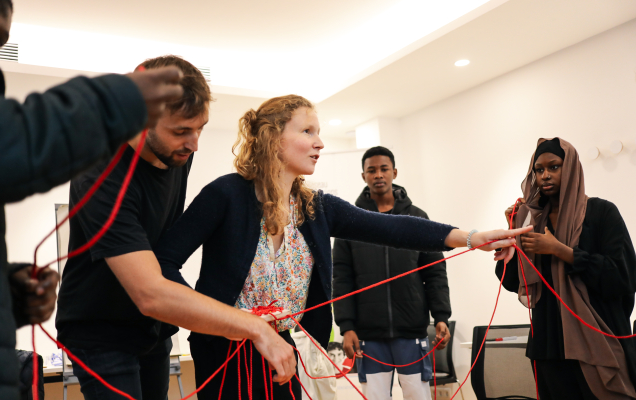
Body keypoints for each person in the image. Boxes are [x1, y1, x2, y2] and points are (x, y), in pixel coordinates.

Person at [155, 94, 530, 399]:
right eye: (307, 131)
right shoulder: (225, 194)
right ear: (273, 137)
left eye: (319, 132)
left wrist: (469, 237)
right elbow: (164, 263)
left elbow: (393, 228)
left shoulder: (316, 206)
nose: (319, 142)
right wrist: (213, 319)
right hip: (224, 353)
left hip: (283, 350)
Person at [0, 0, 185, 398]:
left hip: (145, 332)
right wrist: (117, 99)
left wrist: (3, 288)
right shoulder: (102, 168)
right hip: (98, 332)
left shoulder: (178, 161)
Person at [55, 55, 297, 400]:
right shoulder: (99, 172)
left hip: (151, 328)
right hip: (100, 330)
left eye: (200, 128)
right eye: (182, 131)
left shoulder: (178, 151)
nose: (194, 143)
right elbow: (150, 293)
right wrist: (252, 327)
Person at [497, 138, 636, 400]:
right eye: (538, 169)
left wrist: (561, 250)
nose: (545, 175)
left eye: (554, 166)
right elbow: (513, 282)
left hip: (597, 339)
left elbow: (623, 275)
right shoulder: (531, 220)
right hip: (548, 344)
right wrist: (511, 241)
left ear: (571, 167)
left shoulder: (601, 212)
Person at [333, 146, 451, 400]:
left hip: (411, 331)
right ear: (363, 176)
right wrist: (346, 327)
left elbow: (435, 273)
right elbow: (341, 279)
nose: (378, 175)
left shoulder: (417, 218)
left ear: (394, 172)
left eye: (384, 169)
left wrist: (441, 315)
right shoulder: (350, 222)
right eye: (371, 170)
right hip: (368, 335)